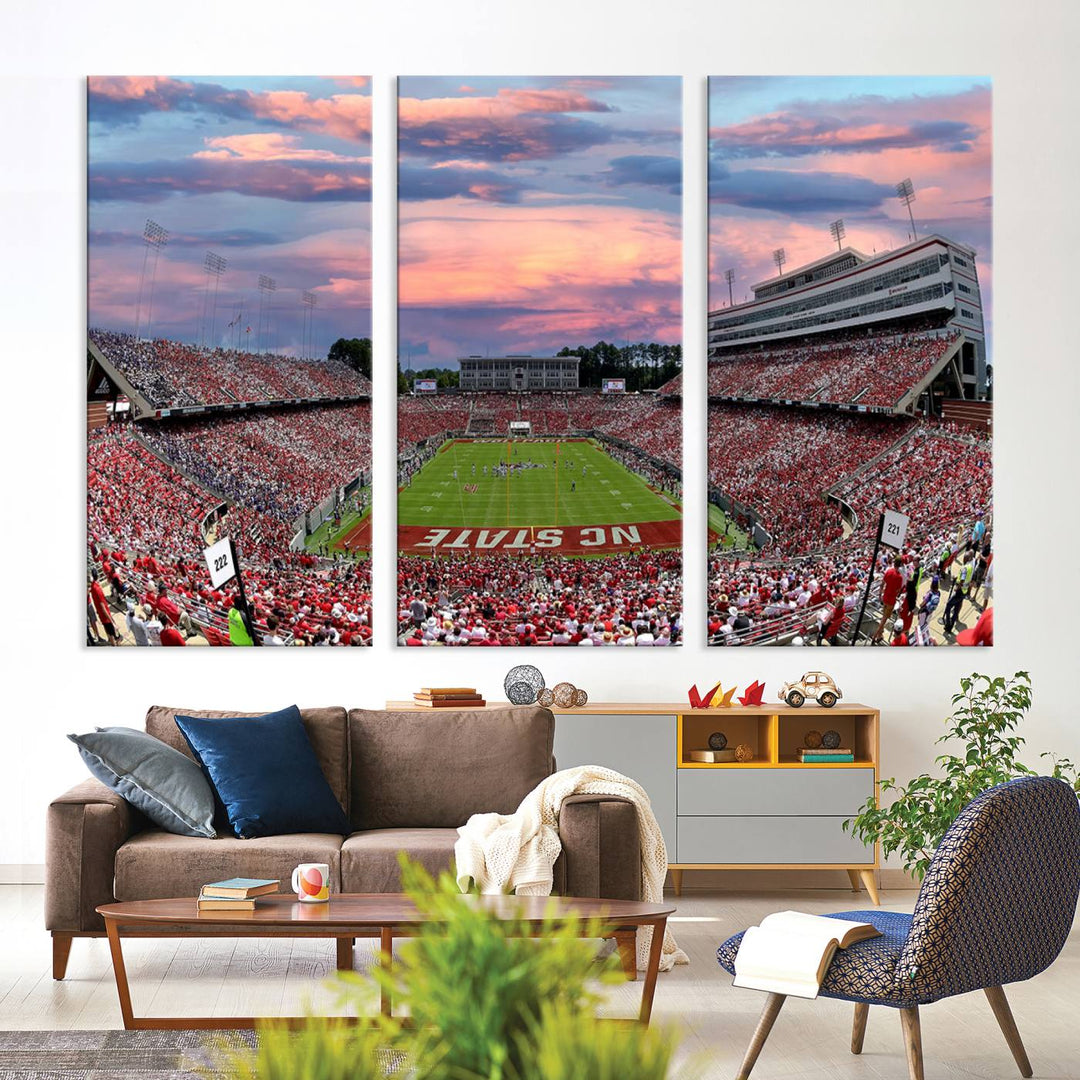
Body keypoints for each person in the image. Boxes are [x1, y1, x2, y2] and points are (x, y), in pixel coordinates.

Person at [873, 555, 904, 641]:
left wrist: (880, 595)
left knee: (884, 617)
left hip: (885, 598)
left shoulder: (889, 571)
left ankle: (880, 634)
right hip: (891, 600)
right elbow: (898, 591)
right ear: (900, 565)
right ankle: (875, 636)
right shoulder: (900, 577)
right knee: (884, 619)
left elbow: (882, 584)